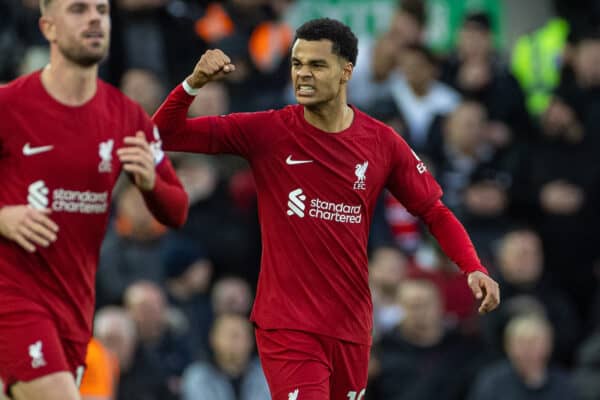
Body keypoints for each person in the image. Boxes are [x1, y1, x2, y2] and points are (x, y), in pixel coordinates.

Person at [153, 17, 500, 400]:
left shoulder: (381, 142)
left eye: (316, 65)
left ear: (346, 70)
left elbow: (434, 211)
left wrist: (473, 267)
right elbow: (164, 134)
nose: (303, 74)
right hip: (288, 325)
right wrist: (193, 84)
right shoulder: (269, 131)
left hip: (351, 327)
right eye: (297, 63)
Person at [0, 0, 189, 399]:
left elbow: (177, 210)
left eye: (102, 11)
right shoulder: (9, 106)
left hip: (74, 306)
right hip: (14, 296)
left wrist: (150, 182)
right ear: (48, 27)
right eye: (79, 9)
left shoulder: (127, 117)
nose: (94, 19)